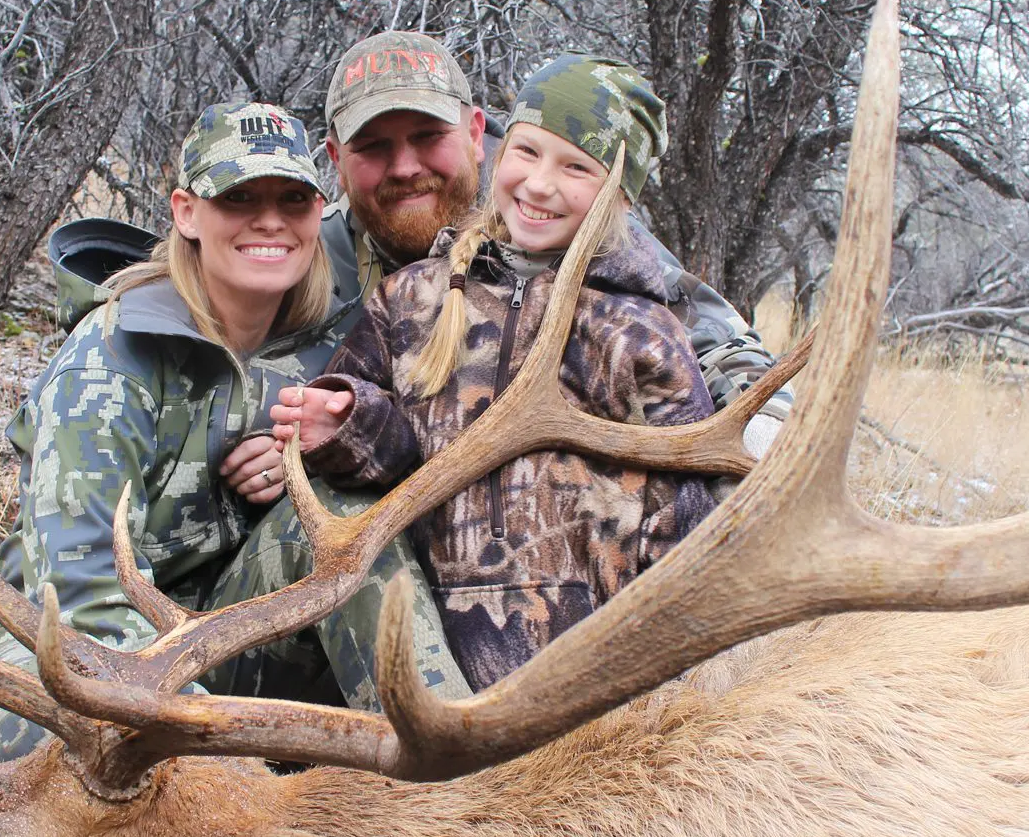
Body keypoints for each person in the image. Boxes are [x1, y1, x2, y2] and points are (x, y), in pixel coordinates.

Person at [0, 103, 465, 764]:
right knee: (40, 741)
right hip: (83, 648)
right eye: (238, 198)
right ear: (187, 212)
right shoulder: (107, 359)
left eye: (292, 198)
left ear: (317, 213)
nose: (270, 219)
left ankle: (454, 777)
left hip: (216, 635)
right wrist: (226, 757)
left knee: (343, 523)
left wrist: (313, 462)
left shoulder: (321, 344)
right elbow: (79, 599)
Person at [275, 55, 717, 688]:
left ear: (619, 195)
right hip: (441, 669)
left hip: (597, 682)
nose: (539, 185)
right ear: (497, 148)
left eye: (576, 167)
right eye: (527, 152)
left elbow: (691, 529)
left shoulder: (643, 333)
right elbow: (399, 448)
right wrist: (346, 421)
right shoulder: (409, 298)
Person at [214, 30, 788, 514]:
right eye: (374, 147)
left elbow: (716, 343)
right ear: (336, 162)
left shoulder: (552, 216)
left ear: (474, 133)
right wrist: (287, 445)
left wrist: (764, 436)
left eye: (427, 137)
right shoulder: (304, 248)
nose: (406, 166)